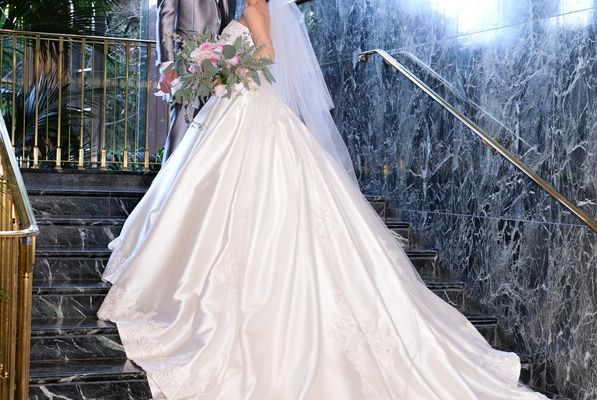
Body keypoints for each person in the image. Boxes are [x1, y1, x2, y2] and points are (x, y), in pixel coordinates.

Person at [98, 1, 547, 398]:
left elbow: (266, 57)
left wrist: (225, 69)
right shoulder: (248, 8)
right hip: (239, 110)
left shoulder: (254, 6)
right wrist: (219, 69)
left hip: (249, 109)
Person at [156, 0, 237, 161]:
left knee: (209, 135)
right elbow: (165, 13)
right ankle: (170, 176)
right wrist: (167, 65)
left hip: (220, 71)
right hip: (186, 65)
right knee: (182, 126)